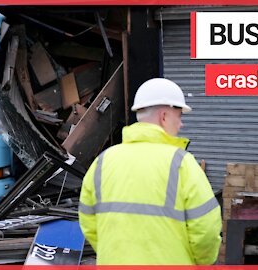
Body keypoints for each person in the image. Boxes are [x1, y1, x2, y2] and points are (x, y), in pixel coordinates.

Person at [79, 78, 222, 265]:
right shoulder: (181, 164)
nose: (181, 125)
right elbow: (206, 230)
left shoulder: (104, 161)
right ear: (164, 116)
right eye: (179, 116)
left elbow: (88, 222)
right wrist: (201, 261)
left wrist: (114, 255)